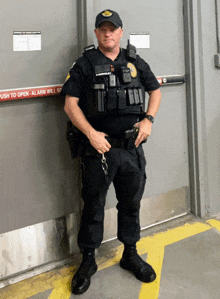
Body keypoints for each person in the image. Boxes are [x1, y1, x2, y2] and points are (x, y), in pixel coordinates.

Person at [62, 9, 161, 295]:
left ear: (121, 32)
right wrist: (91, 134)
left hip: (131, 149)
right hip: (99, 151)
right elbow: (70, 104)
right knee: (93, 206)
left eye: (113, 29)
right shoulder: (85, 64)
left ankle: (130, 254)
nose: (108, 34)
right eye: (103, 29)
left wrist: (148, 120)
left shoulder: (134, 61)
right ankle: (89, 260)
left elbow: (155, 90)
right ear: (96, 33)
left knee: (130, 203)